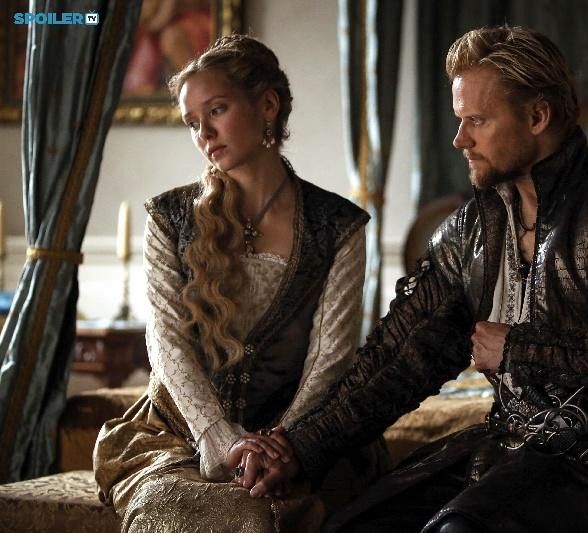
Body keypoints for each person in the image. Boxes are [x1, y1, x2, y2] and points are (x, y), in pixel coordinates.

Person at [238, 25, 588, 532]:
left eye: (477, 120)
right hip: (505, 447)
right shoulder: (469, 231)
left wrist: (520, 349)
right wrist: (299, 448)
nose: (460, 139)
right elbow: (396, 362)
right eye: (458, 120)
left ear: (537, 117)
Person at [93, 34, 388, 532]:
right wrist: (221, 437)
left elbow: (330, 357)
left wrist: (284, 445)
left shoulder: (338, 225)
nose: (204, 133)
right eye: (192, 122)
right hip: (180, 434)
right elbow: (167, 343)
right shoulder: (169, 217)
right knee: (203, 508)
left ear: (267, 106)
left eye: (217, 110)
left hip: (299, 436)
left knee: (273, 510)